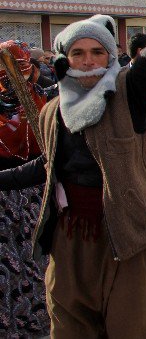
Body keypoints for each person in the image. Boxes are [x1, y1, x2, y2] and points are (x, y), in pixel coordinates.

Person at [0, 0, 146, 337]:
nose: (88, 61)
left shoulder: (127, 93)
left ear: (110, 57)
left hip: (127, 235)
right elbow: (47, 166)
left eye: (97, 52)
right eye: (78, 53)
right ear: (64, 59)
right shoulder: (53, 109)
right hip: (70, 237)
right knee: (69, 323)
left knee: (133, 326)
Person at [0, 41, 50, 336]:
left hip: (36, 192)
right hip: (4, 198)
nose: (17, 71)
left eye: (22, 63)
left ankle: (37, 317)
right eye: (10, 64)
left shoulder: (45, 97)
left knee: (36, 256)